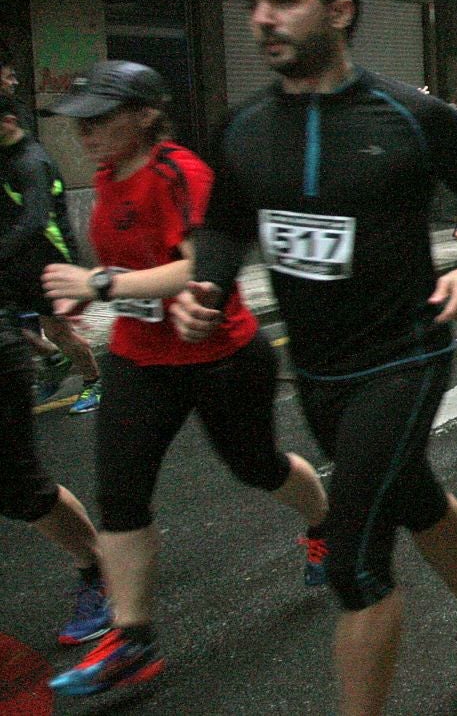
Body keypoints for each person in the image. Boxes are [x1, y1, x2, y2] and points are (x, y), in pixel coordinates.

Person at [171, 0, 457, 712]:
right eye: (253, 4)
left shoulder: (412, 115)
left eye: (283, 2)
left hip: (406, 351)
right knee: (411, 496)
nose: (263, 18)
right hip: (318, 367)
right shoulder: (243, 126)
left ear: (339, 12)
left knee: (354, 561)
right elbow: (226, 225)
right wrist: (209, 283)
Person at [39, 61, 330, 695]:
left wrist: (99, 283)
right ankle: (133, 640)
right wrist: (87, 300)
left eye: (99, 117)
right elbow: (132, 266)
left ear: (145, 115)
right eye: (79, 119)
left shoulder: (183, 173)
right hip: (139, 360)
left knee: (255, 466)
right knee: (120, 497)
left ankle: (324, 526)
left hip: (220, 357)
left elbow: (200, 265)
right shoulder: (108, 177)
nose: (84, 131)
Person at [0, 93, 111, 656]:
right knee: (41, 336)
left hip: (48, 263)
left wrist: (88, 282)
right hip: (16, 274)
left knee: (63, 332)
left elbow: (36, 221)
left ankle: (91, 377)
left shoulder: (31, 162)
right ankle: (52, 362)